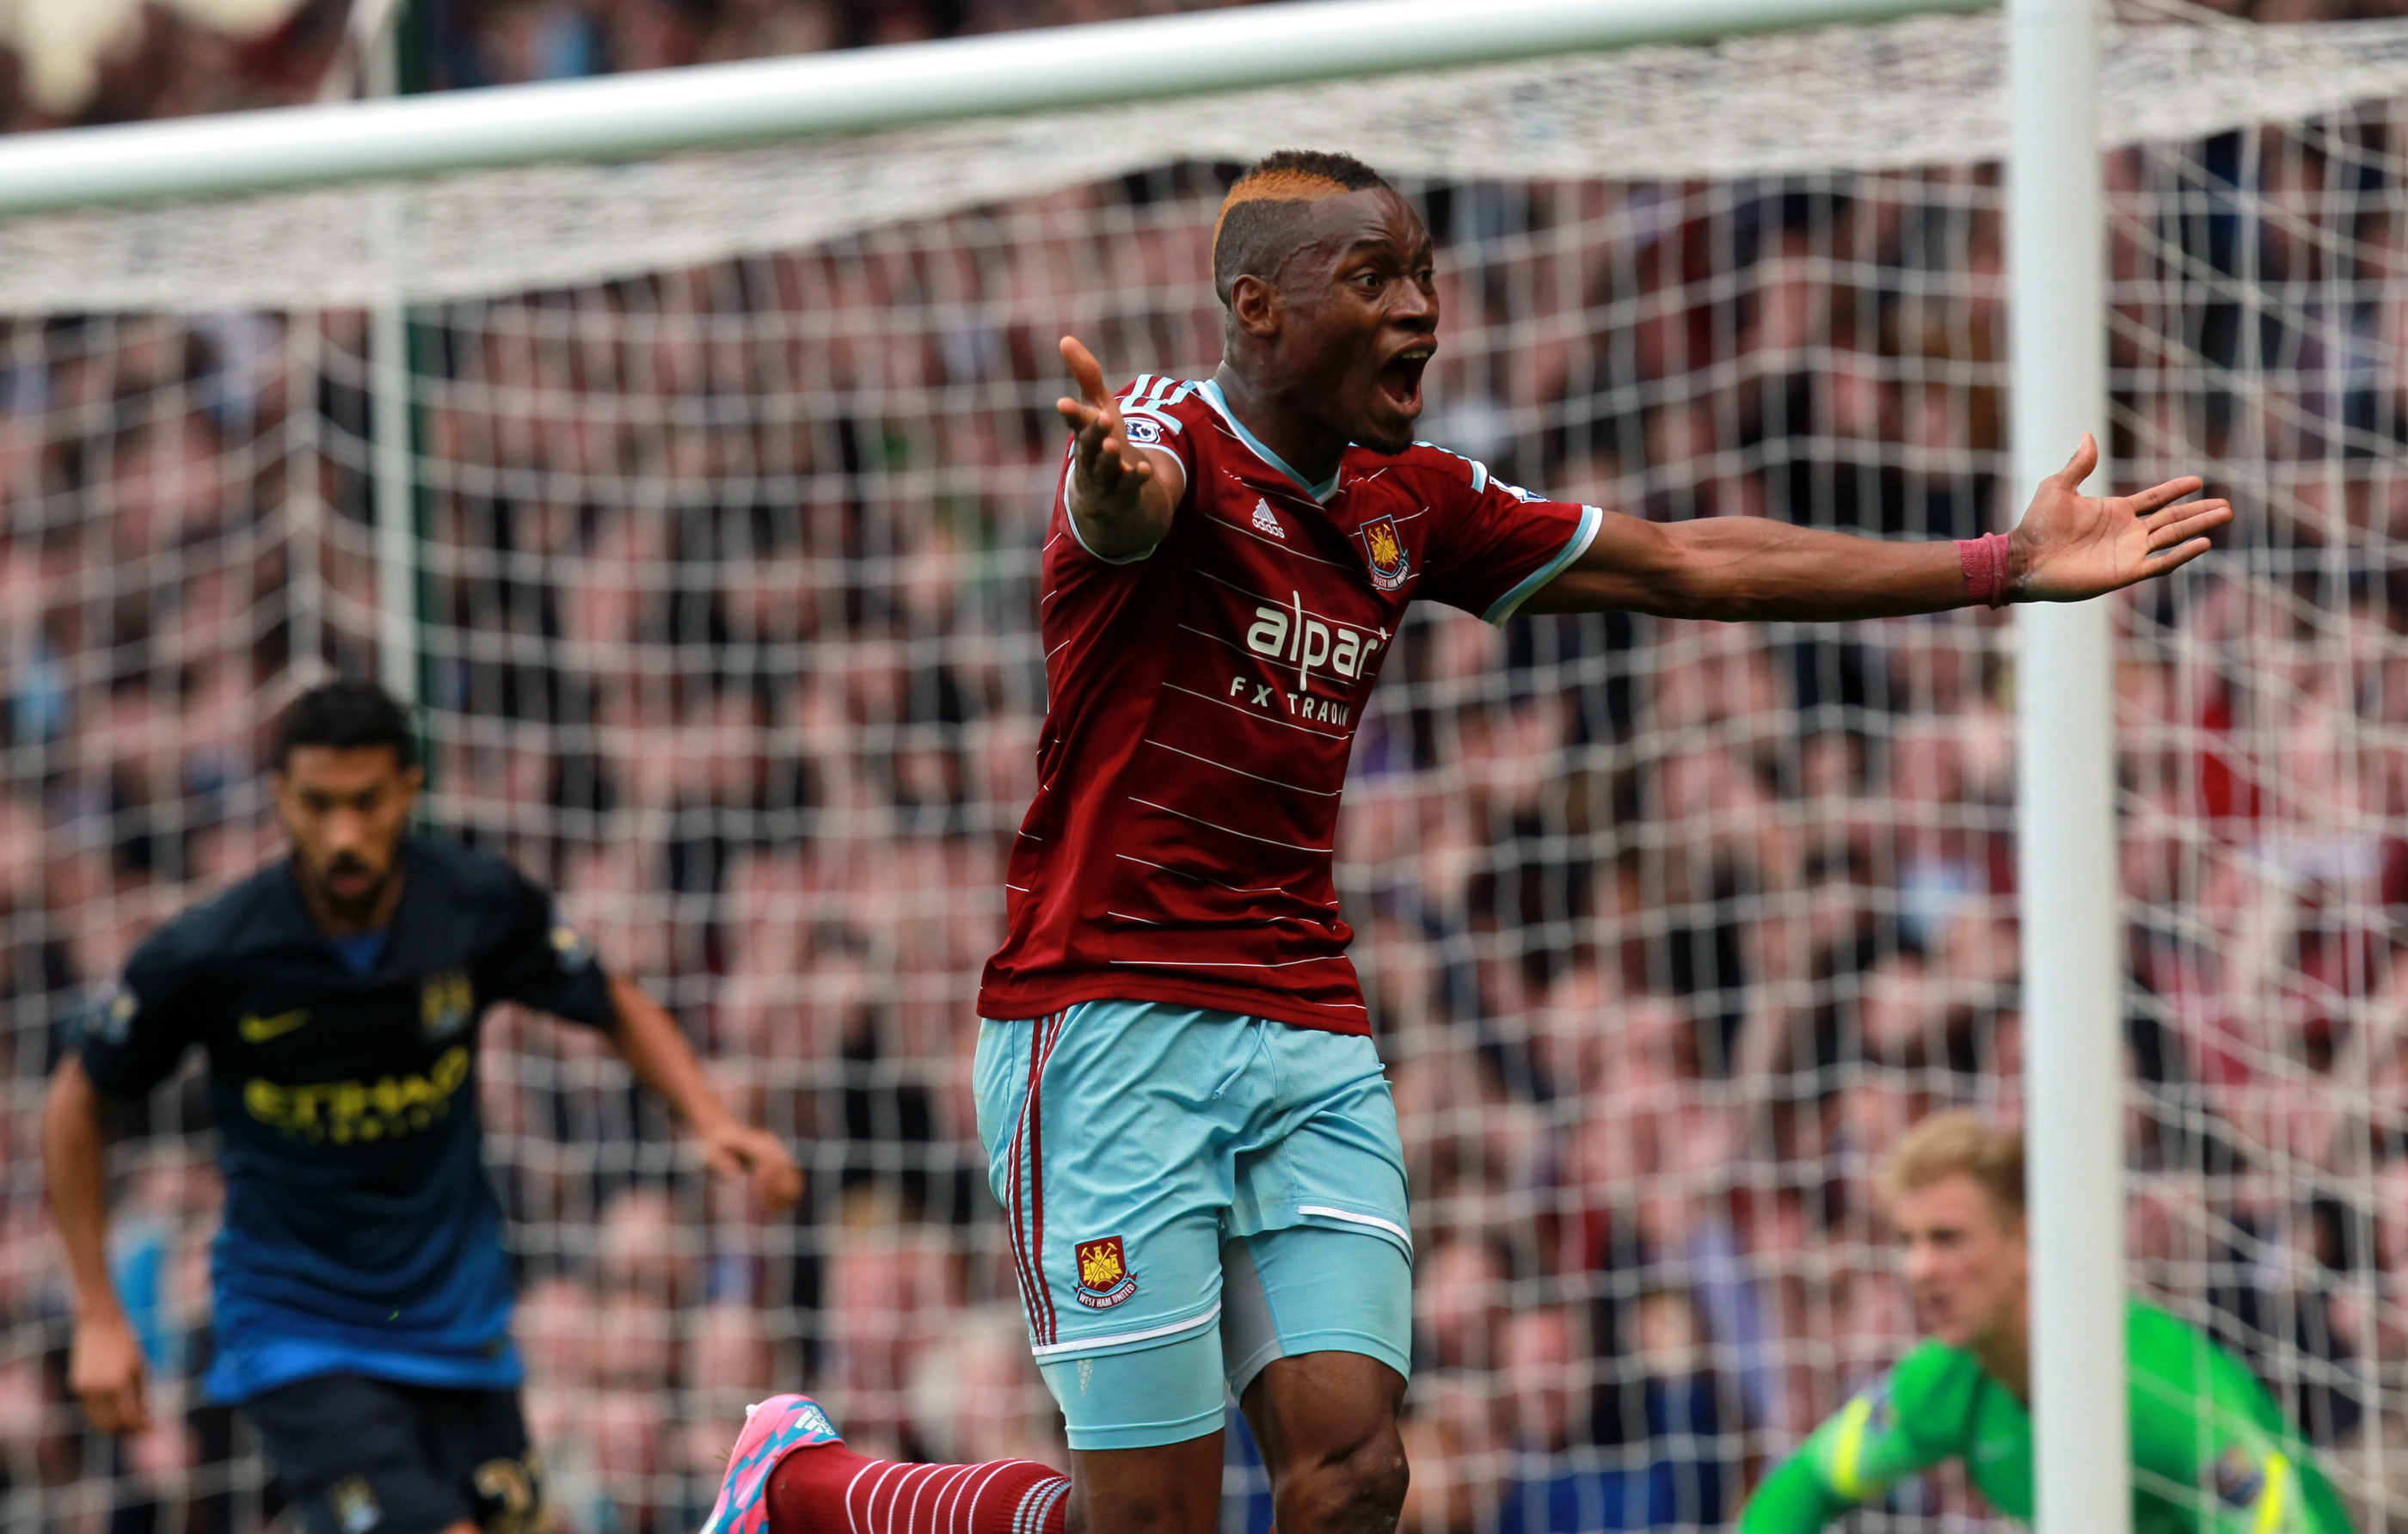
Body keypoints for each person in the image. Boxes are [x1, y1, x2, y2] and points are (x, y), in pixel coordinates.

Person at [701, 148, 2231, 1534]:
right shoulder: (1163, 435)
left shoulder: (1409, 501)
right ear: (1258, 308)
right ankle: (807, 1478)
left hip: (1303, 1019)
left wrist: (1993, 564)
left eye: (1426, 272)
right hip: (1105, 1022)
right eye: (1374, 278)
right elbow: (1125, 506)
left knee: (1357, 1470)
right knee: (1150, 1521)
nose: (1422, 310)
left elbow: (1687, 561)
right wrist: (1104, 485)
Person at [45, 678, 802, 1534]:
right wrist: (100, 1311)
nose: (343, 833)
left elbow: (609, 998)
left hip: (453, 1321)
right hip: (299, 1326)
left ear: (408, 788)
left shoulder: (473, 906)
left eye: (365, 802)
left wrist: (708, 1116)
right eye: (318, 803)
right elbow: (78, 1103)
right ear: (280, 798)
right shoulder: (215, 951)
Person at [1738, 1112, 2351, 1534]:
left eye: (1947, 1238)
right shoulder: (1943, 1382)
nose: (1920, 1268)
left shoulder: (2146, 1385)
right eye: (1907, 1240)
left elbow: (2276, 1516)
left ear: (2026, 1240)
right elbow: (1807, 1483)